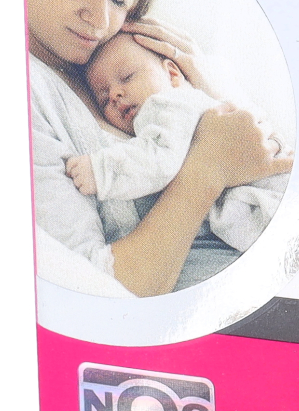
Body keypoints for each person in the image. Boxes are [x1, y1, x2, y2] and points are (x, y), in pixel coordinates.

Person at [24, 0, 291, 297]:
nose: (100, 19)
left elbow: (264, 152)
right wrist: (208, 167)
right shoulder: (30, 94)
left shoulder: (121, 52)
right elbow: (98, 290)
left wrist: (208, 84)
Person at [66, 30, 286, 253]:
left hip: (267, 199)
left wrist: (100, 170)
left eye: (127, 77)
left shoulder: (166, 105)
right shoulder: (192, 104)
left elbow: (159, 160)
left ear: (172, 74)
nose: (115, 94)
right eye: (104, 99)